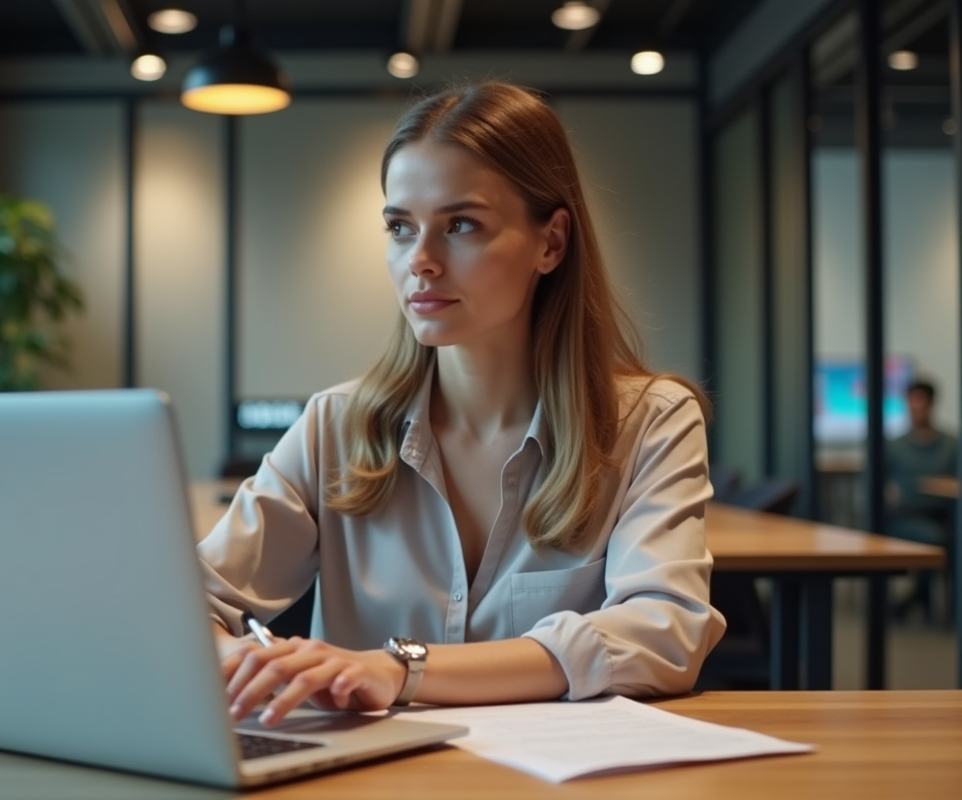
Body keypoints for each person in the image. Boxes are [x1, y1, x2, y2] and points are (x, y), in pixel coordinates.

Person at [198, 81, 726, 727]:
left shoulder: (650, 422)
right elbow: (186, 600)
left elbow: (664, 631)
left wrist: (398, 670)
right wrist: (237, 661)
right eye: (399, 227)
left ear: (551, 243)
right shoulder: (335, 426)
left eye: (461, 225)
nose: (420, 261)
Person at [887, 379, 957, 620]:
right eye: (912, 402)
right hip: (904, 516)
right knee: (935, 538)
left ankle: (926, 600)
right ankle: (920, 598)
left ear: (932, 404)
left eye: (922, 401)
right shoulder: (895, 446)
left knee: (947, 536)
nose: (917, 407)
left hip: (943, 514)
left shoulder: (950, 444)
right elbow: (880, 485)